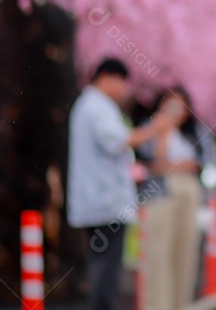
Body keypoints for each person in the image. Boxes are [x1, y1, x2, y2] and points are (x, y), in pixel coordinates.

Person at [67, 58, 182, 310]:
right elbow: (119, 140)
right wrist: (157, 127)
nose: (125, 89)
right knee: (105, 269)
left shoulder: (91, 105)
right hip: (104, 201)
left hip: (99, 199)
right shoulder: (96, 106)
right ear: (107, 77)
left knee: (102, 265)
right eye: (122, 82)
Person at [137, 86, 208, 310]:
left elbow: (200, 162)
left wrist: (173, 165)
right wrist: (163, 130)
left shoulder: (195, 132)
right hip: (160, 193)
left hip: (189, 191)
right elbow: (155, 162)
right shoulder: (150, 128)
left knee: (185, 251)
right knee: (158, 253)